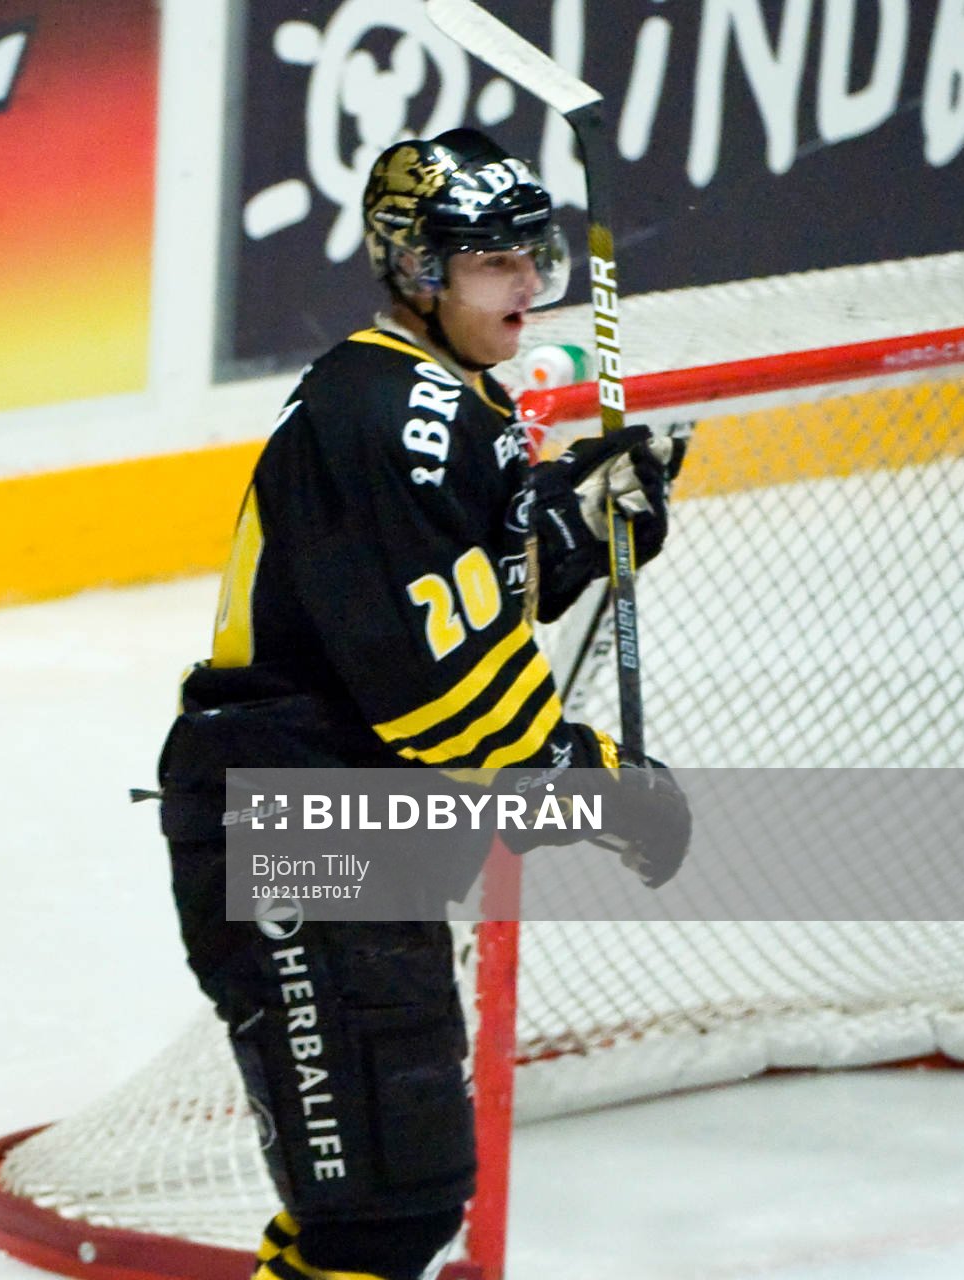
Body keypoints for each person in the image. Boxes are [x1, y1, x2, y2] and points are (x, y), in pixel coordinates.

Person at [153, 130, 691, 1280]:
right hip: (291, 818)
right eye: (490, 259)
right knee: (382, 1204)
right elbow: (430, 687)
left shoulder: (444, 403)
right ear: (414, 268)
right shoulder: (393, 417)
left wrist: (575, 531)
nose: (527, 281)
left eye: (530, 252)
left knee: (378, 1202)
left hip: (336, 807)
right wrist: (579, 774)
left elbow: (450, 592)